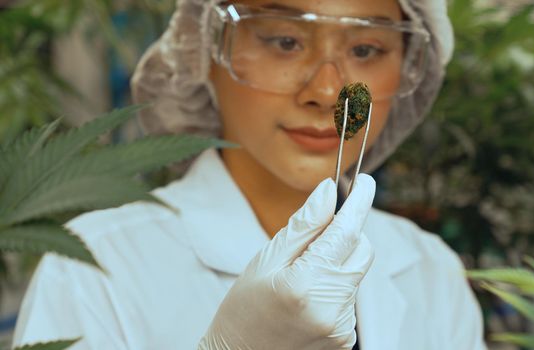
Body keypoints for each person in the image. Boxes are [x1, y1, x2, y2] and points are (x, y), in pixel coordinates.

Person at [13, 0, 486, 349]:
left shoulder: (432, 272)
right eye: (284, 41)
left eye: (366, 48)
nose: (326, 91)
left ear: (407, 72)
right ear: (203, 56)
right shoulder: (95, 268)